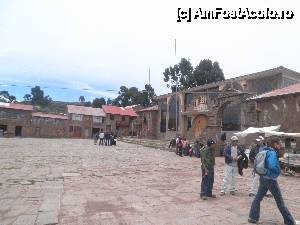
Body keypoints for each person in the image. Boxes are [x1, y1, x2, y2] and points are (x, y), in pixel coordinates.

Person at [248, 137, 296, 225]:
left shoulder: (265, 151)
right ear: (275, 144)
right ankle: (289, 221)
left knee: (258, 198)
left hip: (263, 178)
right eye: (279, 143)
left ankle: (253, 217)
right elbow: (272, 166)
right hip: (271, 180)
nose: (281, 145)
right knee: (280, 202)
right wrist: (279, 170)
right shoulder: (272, 153)